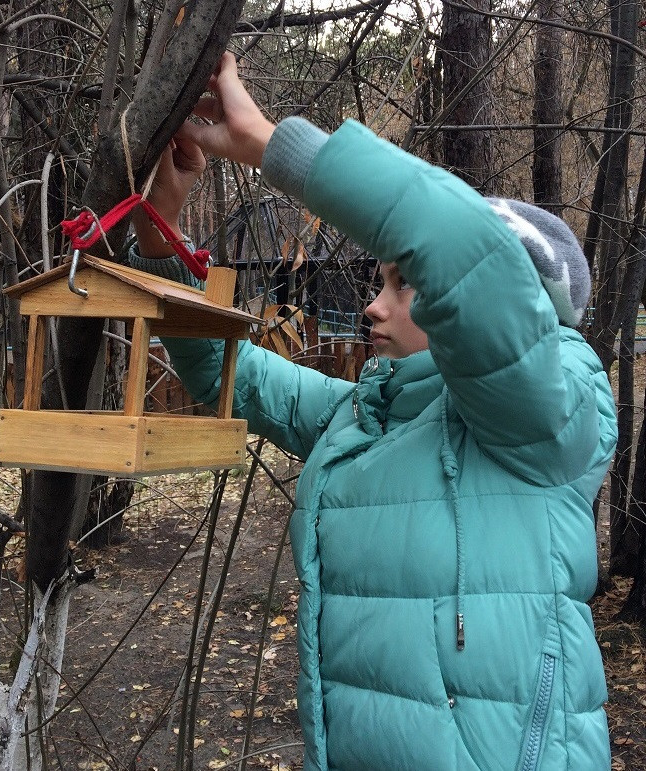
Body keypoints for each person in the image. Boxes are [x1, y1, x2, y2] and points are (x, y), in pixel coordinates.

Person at [128, 52, 617, 771]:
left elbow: (460, 252)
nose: (373, 304)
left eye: (403, 283)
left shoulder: (546, 411)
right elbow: (222, 371)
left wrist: (271, 144)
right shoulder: (365, 417)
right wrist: (161, 231)